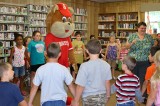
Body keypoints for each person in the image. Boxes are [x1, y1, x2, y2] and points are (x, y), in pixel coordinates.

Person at [72, 39, 112, 106]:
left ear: (87, 51)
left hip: (88, 97)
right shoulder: (106, 65)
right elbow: (107, 82)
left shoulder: (84, 66)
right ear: (100, 50)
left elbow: (80, 86)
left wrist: (76, 100)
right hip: (102, 96)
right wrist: (108, 95)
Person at [126, 22, 154, 86]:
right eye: (142, 28)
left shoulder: (149, 37)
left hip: (145, 61)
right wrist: (132, 43)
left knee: (144, 78)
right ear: (138, 28)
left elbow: (152, 46)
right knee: (133, 78)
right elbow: (126, 46)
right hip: (133, 61)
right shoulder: (132, 36)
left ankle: (142, 94)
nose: (143, 30)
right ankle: (132, 93)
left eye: (144, 28)